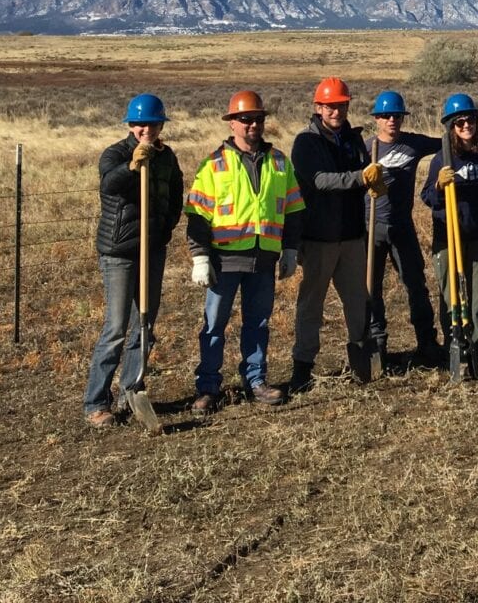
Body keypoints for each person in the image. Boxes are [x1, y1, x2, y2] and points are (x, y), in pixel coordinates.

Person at [184, 89, 304, 413]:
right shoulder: (214, 165)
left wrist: (290, 250)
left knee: (258, 323)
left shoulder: (280, 162)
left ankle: (256, 381)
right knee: (213, 326)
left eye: (258, 118)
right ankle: (208, 387)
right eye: (245, 119)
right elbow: (197, 215)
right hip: (224, 260)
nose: (253, 124)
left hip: (264, 259)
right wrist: (200, 257)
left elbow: (293, 210)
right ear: (232, 123)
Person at [82, 93, 183, 427]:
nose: (146, 130)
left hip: (152, 248)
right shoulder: (115, 153)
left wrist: (164, 228)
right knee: (115, 328)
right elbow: (109, 185)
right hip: (120, 251)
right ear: (130, 124)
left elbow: (175, 196)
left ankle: (132, 389)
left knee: (145, 324)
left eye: (152, 124)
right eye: (140, 124)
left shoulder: (167, 157)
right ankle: (96, 402)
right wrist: (132, 166)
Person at [288, 77, 383, 388]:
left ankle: (362, 360)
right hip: (317, 238)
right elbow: (320, 181)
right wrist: (359, 178)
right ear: (318, 107)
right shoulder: (305, 143)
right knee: (311, 305)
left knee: (358, 301)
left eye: (341, 105)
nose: (337, 111)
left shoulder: (352, 139)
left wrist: (379, 181)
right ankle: (302, 367)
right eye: (330, 106)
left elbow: (364, 177)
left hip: (353, 236)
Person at [420, 92, 478, 376]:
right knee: (451, 295)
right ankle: (453, 344)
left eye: (471, 120)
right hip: (449, 237)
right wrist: (439, 186)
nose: (466, 126)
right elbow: (427, 198)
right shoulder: (443, 159)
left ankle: (476, 346)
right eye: (460, 122)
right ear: (451, 127)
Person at [362, 90, 444, 367]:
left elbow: (448, 142)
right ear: (377, 119)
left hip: (403, 226)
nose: (391, 121)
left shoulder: (413, 144)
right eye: (385, 116)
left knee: (416, 285)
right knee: (371, 288)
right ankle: (377, 345)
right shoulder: (365, 148)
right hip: (371, 226)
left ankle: (427, 341)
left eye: (396, 116)